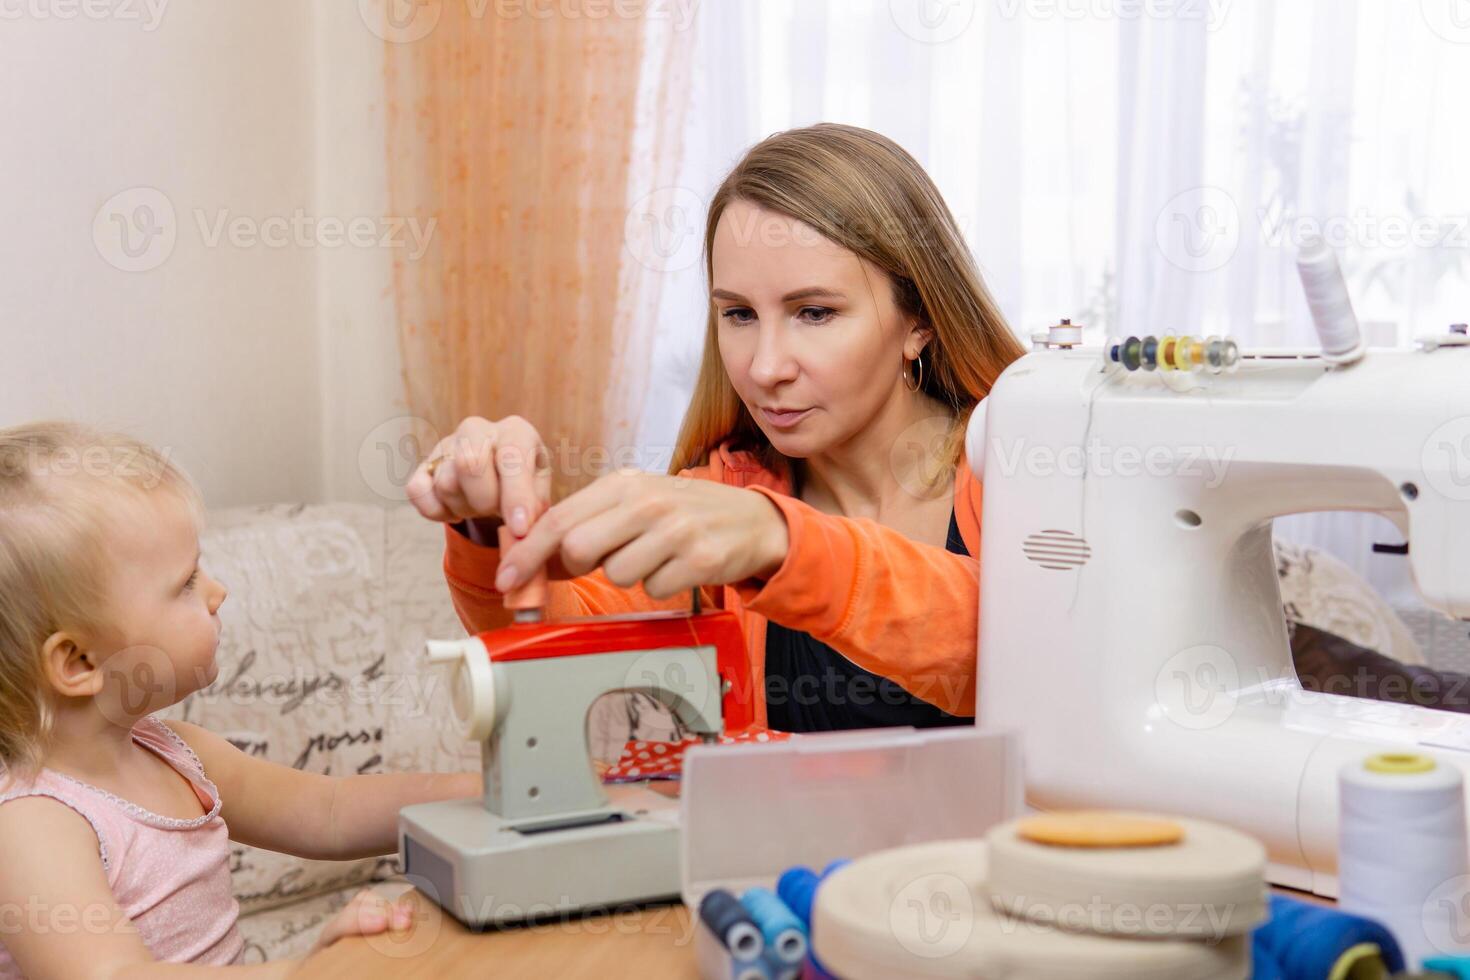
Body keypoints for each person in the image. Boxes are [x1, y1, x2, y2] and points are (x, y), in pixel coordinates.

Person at [409, 123, 1026, 733]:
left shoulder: (1027, 468)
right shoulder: (725, 498)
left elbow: (1023, 656)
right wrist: (489, 528)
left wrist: (785, 544)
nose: (764, 368)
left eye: (815, 312)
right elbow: (556, 645)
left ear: (917, 319)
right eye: (738, 314)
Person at [0, 422, 482, 977]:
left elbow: (328, 811)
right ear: (79, 663)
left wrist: (474, 794)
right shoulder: (33, 823)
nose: (216, 591)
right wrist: (299, 972)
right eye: (184, 583)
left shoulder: (176, 753)